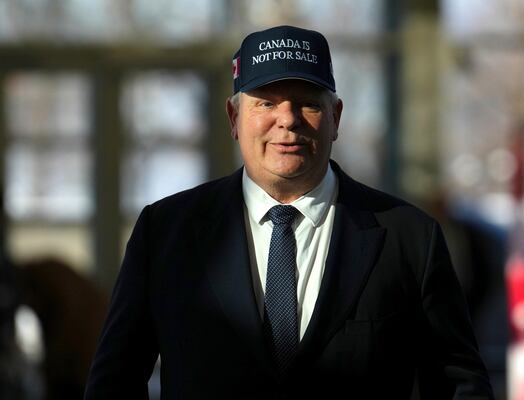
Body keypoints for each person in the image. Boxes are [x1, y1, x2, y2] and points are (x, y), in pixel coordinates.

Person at [85, 25, 494, 399]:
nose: (288, 120)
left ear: (335, 118)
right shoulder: (165, 233)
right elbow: (114, 382)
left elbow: (458, 385)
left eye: (307, 103)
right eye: (266, 102)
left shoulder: (409, 238)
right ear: (234, 117)